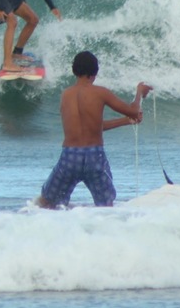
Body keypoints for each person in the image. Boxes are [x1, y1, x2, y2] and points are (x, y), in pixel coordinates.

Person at [37, 51, 152, 208]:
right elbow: (134, 111)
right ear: (95, 72)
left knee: (47, 203)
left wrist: (125, 122)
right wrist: (139, 92)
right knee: (106, 206)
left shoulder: (65, 95)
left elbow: (90, 126)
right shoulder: (100, 92)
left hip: (70, 156)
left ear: (74, 70)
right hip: (94, 156)